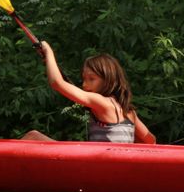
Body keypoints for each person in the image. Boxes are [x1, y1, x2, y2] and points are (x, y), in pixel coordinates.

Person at [22, 41, 156, 144]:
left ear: (108, 80)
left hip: (98, 168)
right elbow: (151, 141)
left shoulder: (103, 103)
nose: (84, 84)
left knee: (33, 136)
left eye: (92, 79)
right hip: (113, 167)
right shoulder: (129, 113)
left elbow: (57, 83)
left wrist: (49, 52)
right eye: (84, 79)